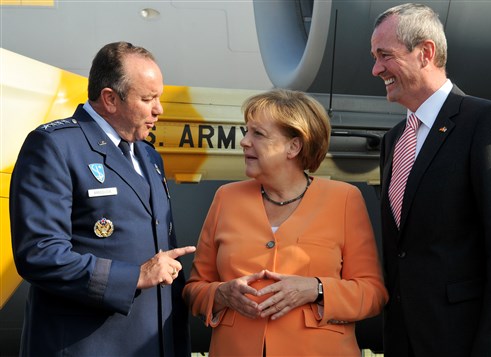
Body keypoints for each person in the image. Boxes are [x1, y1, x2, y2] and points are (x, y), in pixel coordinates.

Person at [9, 42, 196, 356]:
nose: (158, 109)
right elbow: (39, 253)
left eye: (158, 97)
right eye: (148, 99)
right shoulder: (55, 146)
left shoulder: (148, 155)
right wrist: (133, 277)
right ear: (110, 99)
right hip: (89, 346)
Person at [182, 89, 388, 356]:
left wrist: (316, 289)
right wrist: (221, 294)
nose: (244, 141)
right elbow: (194, 291)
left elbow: (373, 293)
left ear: (294, 146)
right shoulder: (226, 198)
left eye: (258, 134)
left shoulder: (345, 199)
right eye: (247, 131)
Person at [371, 4, 491, 357]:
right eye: (374, 57)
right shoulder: (393, 140)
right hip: (404, 341)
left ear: (425, 52)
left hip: (464, 341)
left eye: (385, 56)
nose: (375, 69)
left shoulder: (486, 122)